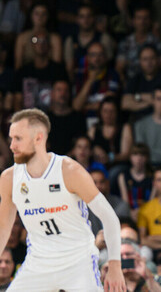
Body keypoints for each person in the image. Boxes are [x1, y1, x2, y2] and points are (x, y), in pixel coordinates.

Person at [0, 109, 125, 291]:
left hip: (77, 262)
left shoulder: (69, 170)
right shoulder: (9, 178)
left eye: (18, 138)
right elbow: (3, 227)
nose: (11, 145)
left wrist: (115, 265)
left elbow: (110, 218)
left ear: (38, 138)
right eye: (11, 138)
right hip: (38, 263)